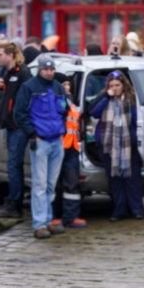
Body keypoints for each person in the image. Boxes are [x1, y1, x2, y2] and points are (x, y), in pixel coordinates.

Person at [14, 55, 68, 239]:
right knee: (40, 184)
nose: (49, 72)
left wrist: (62, 130)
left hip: (56, 140)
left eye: (51, 69)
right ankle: (39, 224)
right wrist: (33, 134)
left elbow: (64, 110)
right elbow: (19, 113)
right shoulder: (29, 87)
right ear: (40, 69)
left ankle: (47, 220)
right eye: (46, 69)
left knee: (51, 185)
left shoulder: (58, 87)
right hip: (41, 141)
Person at [89, 71, 144, 221]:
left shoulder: (132, 100)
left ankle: (137, 209)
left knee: (132, 178)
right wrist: (106, 96)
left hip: (127, 144)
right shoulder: (104, 98)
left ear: (123, 85)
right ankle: (119, 209)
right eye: (111, 85)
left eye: (117, 85)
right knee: (115, 178)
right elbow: (94, 112)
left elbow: (135, 120)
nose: (114, 88)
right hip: (108, 144)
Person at [0, 43, 31, 219]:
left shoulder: (22, 72)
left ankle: (15, 203)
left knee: (14, 165)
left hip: (17, 126)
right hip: (10, 125)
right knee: (11, 165)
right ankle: (12, 200)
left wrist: (17, 119)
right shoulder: (9, 74)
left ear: (10, 55)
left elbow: (25, 100)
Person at [51, 73, 86, 229]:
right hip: (58, 146)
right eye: (63, 84)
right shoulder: (54, 100)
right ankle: (53, 216)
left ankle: (71, 216)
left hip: (72, 147)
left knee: (71, 184)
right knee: (54, 184)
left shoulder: (71, 100)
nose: (67, 87)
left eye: (68, 84)